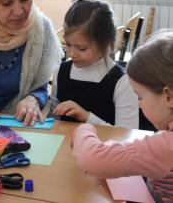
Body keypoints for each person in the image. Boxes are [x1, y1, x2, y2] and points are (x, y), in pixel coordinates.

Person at [72, 31, 173, 203]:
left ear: (168, 96)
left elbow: (93, 159)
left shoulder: (167, 147)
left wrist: (83, 129)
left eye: (140, 96)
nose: (138, 104)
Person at [50, 0, 139, 128]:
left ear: (105, 43)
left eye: (82, 48)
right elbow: (54, 118)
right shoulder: (61, 72)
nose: (72, 54)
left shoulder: (122, 82)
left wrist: (87, 117)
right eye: (67, 45)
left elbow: (128, 136)